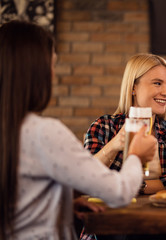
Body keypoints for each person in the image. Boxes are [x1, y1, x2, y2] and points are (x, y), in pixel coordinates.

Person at [0, 20, 157, 239]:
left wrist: (61, 208)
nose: (53, 76)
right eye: (51, 66)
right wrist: (136, 155)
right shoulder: (44, 133)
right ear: (35, 73)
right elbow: (119, 193)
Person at [83, 53, 166, 194]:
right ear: (133, 87)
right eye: (157, 83)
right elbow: (86, 176)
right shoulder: (103, 126)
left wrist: (134, 186)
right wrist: (114, 145)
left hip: (162, 214)